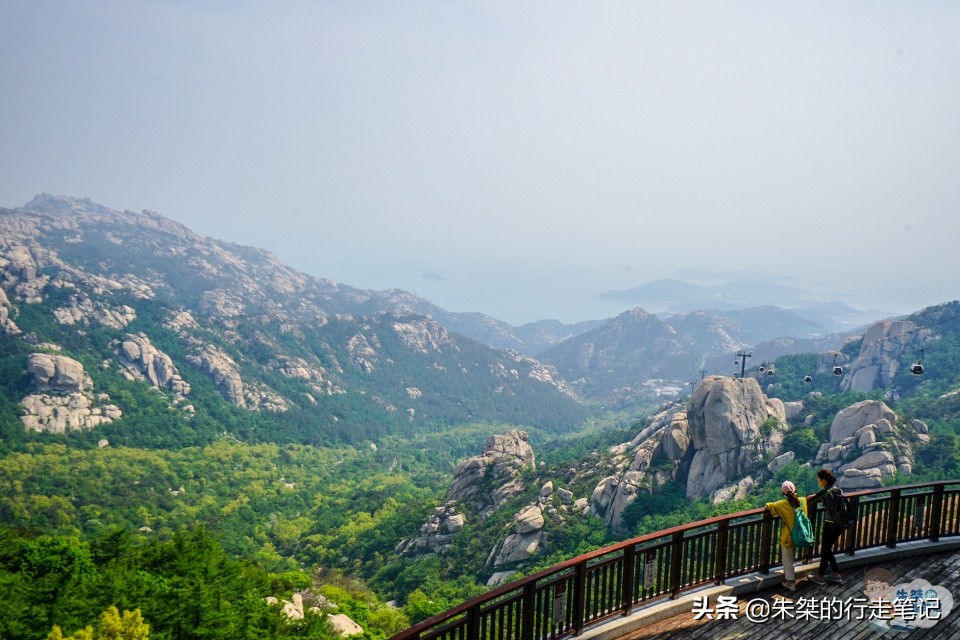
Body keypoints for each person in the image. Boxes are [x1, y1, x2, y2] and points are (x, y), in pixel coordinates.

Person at [765, 480, 807, 591]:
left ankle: (790, 582)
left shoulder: (782, 504)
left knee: (787, 559)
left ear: (783, 493)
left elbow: (769, 506)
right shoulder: (803, 500)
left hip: (788, 537)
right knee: (792, 557)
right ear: (795, 490)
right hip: (802, 535)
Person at [806, 468, 844, 585]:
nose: (818, 481)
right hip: (840, 524)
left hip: (830, 524)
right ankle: (836, 574)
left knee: (825, 550)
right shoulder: (837, 490)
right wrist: (816, 495)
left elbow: (809, 502)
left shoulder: (825, 492)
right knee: (827, 550)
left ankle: (820, 576)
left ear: (824, 481)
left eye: (819, 479)